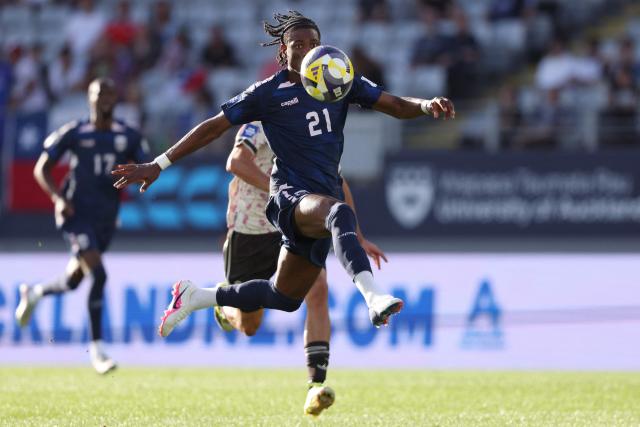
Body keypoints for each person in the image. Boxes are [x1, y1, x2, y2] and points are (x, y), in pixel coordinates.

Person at [112, 11, 454, 345]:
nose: (305, 49)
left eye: (313, 43)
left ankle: (197, 296)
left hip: (321, 197)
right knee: (339, 213)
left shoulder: (338, 81)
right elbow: (212, 128)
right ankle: (374, 297)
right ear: (283, 50)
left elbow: (392, 104)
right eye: (297, 43)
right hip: (291, 197)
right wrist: (158, 164)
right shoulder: (267, 93)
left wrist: (425, 106)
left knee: (284, 297)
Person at [218, 121, 388, 415]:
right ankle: (223, 305)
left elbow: (337, 181)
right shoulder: (258, 123)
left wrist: (357, 235)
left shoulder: (313, 127)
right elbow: (236, 161)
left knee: (318, 290)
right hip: (252, 229)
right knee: (250, 326)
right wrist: (277, 192)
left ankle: (315, 387)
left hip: (293, 224)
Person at [15, 78, 149, 374]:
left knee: (75, 280)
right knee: (99, 275)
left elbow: (147, 166)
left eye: (109, 93)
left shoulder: (128, 136)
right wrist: (58, 198)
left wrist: (142, 175)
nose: (104, 98)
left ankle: (34, 293)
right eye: (98, 93)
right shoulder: (75, 132)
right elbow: (42, 168)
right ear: (88, 98)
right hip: (75, 215)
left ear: (116, 98)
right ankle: (98, 351)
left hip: (105, 218)